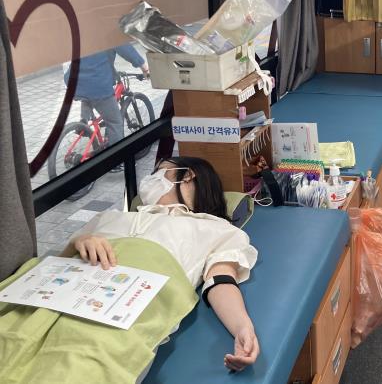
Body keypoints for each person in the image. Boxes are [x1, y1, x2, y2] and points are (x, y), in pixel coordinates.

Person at [0, 157, 259, 382]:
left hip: (117, 311)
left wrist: (242, 328)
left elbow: (220, 281)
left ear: (188, 175)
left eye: (159, 171)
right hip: (57, 294)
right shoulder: (110, 217)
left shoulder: (215, 229)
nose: (150, 179)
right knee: (9, 335)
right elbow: (56, 266)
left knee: (72, 367)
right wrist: (79, 242)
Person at [64, 45, 149, 171]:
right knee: (115, 122)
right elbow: (125, 48)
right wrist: (144, 67)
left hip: (74, 80)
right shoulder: (107, 35)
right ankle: (116, 162)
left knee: (88, 96)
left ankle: (83, 122)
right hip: (96, 82)